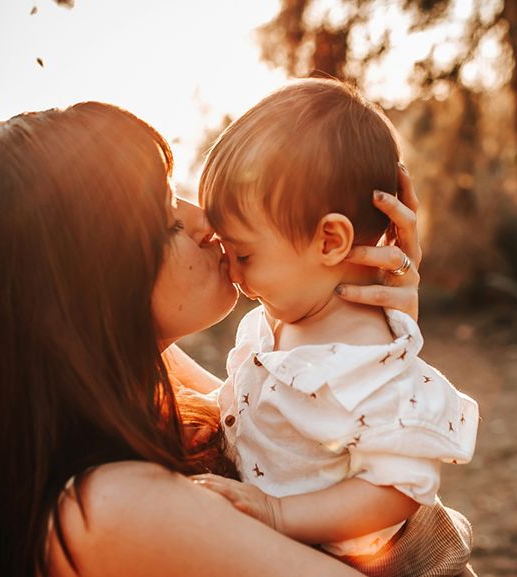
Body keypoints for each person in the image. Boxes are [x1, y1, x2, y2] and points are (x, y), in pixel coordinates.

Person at [0, 101, 425, 576]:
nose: (206, 219)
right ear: (87, 284)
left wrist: (368, 329)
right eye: (165, 221)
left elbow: (300, 435)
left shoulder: (134, 405)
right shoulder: (107, 507)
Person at [191, 79, 479, 577]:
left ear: (330, 240)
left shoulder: (364, 354)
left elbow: (399, 487)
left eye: (244, 254)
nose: (233, 273)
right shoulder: (283, 319)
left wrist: (277, 513)